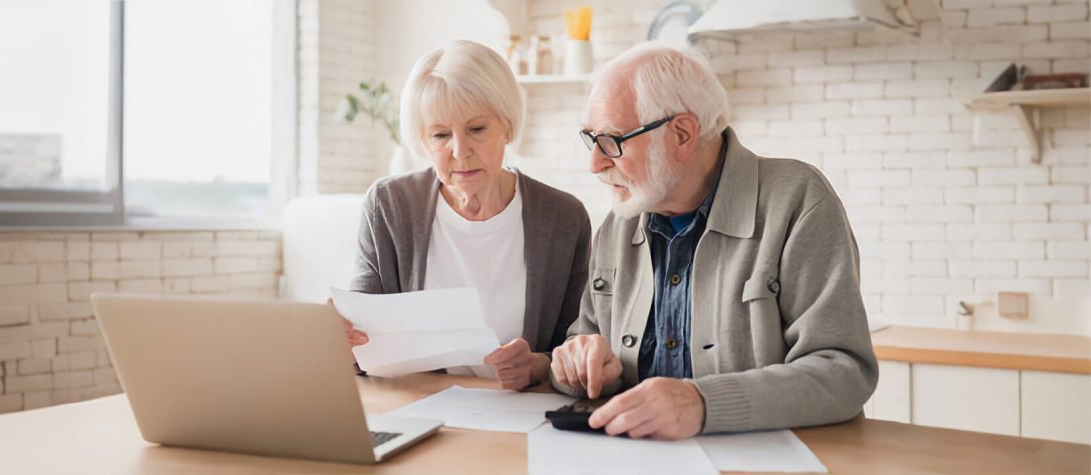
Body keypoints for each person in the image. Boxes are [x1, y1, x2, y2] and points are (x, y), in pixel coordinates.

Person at [548, 43, 877, 439]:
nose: (595, 163)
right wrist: (579, 365)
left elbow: (844, 373)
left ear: (682, 134)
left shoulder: (796, 200)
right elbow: (584, 341)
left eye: (612, 141)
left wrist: (703, 403)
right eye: (591, 139)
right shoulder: (620, 220)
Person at [344, 40, 591, 390]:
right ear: (422, 140)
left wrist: (537, 365)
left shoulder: (564, 218)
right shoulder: (389, 206)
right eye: (441, 135)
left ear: (506, 125)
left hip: (520, 411)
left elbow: (578, 342)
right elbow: (361, 343)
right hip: (416, 407)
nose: (460, 151)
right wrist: (341, 338)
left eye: (477, 129)